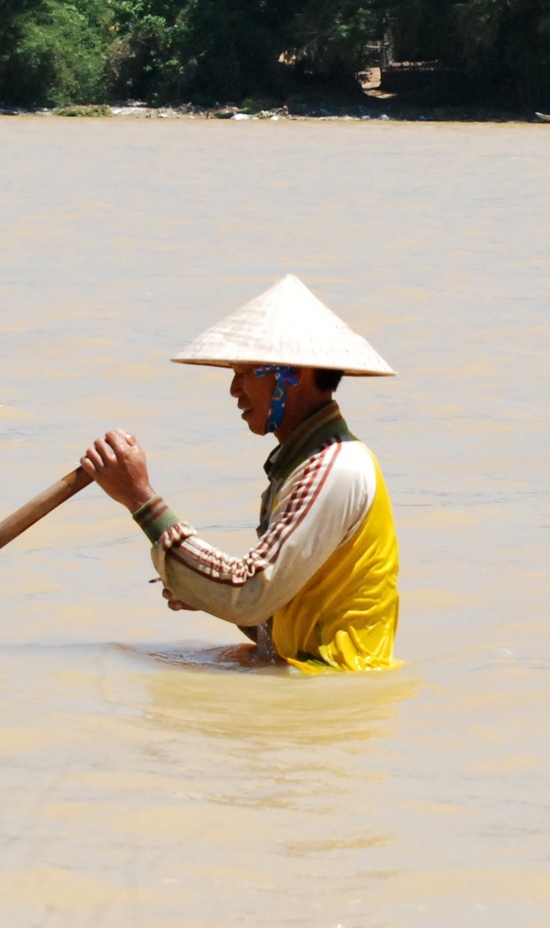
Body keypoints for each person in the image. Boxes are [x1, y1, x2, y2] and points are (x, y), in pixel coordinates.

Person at [80, 274, 400, 670]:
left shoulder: (333, 467)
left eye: (244, 372)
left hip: (332, 682)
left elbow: (251, 593)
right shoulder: (303, 464)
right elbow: (273, 612)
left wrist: (140, 498)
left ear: (291, 374)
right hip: (308, 674)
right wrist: (202, 590)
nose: (234, 389)